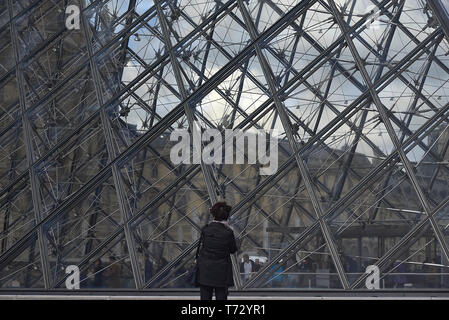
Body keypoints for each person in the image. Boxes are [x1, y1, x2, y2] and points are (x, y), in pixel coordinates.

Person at [197, 201, 238, 300]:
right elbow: (233, 250)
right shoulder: (228, 232)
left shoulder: (206, 230)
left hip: (205, 270)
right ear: (227, 216)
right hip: (222, 271)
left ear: (213, 215)